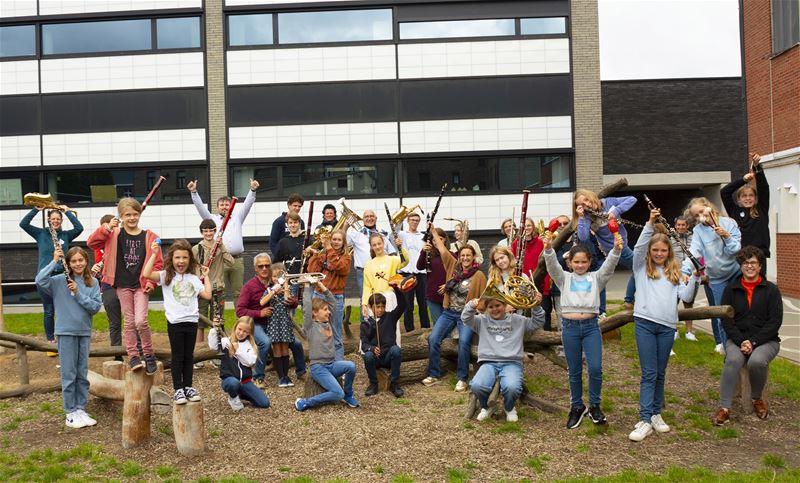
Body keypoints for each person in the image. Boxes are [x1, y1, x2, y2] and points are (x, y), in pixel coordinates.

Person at [628, 208, 700, 442]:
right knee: (649, 373)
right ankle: (645, 419)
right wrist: (649, 224)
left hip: (668, 326)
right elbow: (638, 249)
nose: (659, 253)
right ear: (650, 251)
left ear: (669, 252)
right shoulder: (641, 267)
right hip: (645, 324)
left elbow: (686, 296)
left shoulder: (674, 271)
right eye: (655, 250)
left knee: (660, 373)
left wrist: (695, 277)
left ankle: (656, 413)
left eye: (663, 250)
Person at [544, 233, 622, 429]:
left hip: (590, 328)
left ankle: (595, 406)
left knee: (595, 368)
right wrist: (548, 249)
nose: (580, 265)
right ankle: (577, 406)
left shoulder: (596, 278)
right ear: (569, 263)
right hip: (569, 328)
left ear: (589, 263)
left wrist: (616, 250)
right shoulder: (564, 279)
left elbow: (609, 266)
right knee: (574, 370)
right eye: (576, 262)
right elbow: (552, 266)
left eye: (583, 262)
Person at [88, 198, 162, 374]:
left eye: (135, 214)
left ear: (140, 214)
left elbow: (158, 264)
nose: (132, 218)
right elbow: (92, 243)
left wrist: (152, 282)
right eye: (127, 215)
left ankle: (148, 354)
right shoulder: (113, 234)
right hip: (122, 284)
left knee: (141, 321)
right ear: (120, 216)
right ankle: (134, 356)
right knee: (129, 322)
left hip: (141, 284)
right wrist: (106, 228)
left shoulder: (150, 236)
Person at [712, 246, 782, 425]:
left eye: (753, 263)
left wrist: (754, 341)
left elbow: (774, 322)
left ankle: (756, 399)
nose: (749, 266)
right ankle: (725, 408)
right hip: (737, 339)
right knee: (733, 360)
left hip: (767, 340)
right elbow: (726, 320)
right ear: (740, 266)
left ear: (760, 266)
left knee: (756, 361)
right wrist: (741, 341)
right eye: (745, 263)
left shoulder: (771, 290)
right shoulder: (731, 289)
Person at [35, 246, 101, 429]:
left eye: (81, 260)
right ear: (69, 263)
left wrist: (78, 294)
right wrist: (54, 260)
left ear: (86, 261)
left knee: (82, 373)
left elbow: (95, 307)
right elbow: (39, 280)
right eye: (74, 261)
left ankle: (80, 408)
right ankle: (70, 411)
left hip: (84, 332)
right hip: (66, 332)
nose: (78, 264)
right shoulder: (58, 281)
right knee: (69, 373)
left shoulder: (92, 283)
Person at [143, 239, 212, 404]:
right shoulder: (166, 275)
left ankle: (188, 386)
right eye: (177, 258)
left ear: (190, 260)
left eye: (185, 258)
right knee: (178, 356)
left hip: (191, 322)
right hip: (175, 323)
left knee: (189, 356)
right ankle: (178, 389)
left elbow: (207, 295)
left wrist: (206, 276)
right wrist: (153, 254)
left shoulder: (193, 278)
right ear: (171, 259)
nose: (181, 261)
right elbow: (146, 274)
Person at [462, 293, 545, 422]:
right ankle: (487, 407)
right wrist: (472, 305)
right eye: (490, 307)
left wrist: (536, 306)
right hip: (488, 362)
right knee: (477, 385)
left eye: (498, 305)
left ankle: (509, 407)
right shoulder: (481, 320)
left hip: (512, 362)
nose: (494, 309)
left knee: (512, 387)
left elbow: (537, 322)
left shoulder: (518, 320)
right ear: (487, 309)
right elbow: (466, 318)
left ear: (505, 305)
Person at [423, 227, 487, 391]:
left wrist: (476, 306)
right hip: (449, 312)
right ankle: (434, 374)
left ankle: (462, 378)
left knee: (464, 342)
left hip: (466, 316)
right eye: (463, 255)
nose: (465, 258)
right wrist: (433, 232)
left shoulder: (479, 275)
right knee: (433, 339)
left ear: (473, 258)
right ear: (459, 256)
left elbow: (484, 299)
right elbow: (443, 249)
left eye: (468, 256)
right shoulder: (453, 267)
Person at [236, 254, 306, 388]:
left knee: (296, 343)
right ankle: (258, 377)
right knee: (265, 342)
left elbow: (292, 302)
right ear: (255, 268)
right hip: (257, 323)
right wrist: (259, 313)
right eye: (260, 266)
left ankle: (301, 372)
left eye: (267, 265)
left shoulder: (277, 281)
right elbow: (240, 311)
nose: (264, 268)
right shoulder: (249, 287)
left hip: (277, 323)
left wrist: (293, 302)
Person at [682, 197, 742, 355]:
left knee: (740, 311)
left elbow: (735, 250)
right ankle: (727, 350)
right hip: (716, 278)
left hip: (736, 272)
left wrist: (726, 236)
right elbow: (694, 253)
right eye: (696, 215)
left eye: (701, 211)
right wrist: (685, 271)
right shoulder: (698, 231)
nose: (700, 216)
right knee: (721, 314)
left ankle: (743, 345)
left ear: (708, 207)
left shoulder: (729, 223)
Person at [20, 204, 83, 349]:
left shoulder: (66, 235)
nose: (55, 221)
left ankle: (67, 336)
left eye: (58, 219)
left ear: (61, 220)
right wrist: (37, 209)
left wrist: (67, 212)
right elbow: (23, 224)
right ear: (48, 219)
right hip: (45, 278)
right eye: (53, 219)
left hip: (62, 276)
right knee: (49, 310)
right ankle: (50, 340)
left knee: (65, 307)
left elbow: (79, 228)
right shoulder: (41, 234)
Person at [188, 178, 258, 305]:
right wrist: (194, 192)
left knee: (238, 291)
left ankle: (240, 321)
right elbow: (200, 208)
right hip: (219, 260)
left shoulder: (238, 218)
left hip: (236, 260)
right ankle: (220, 322)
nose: (225, 207)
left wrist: (252, 190)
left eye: (227, 204)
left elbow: (247, 205)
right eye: (222, 205)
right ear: (217, 207)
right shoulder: (212, 219)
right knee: (220, 292)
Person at [295, 281, 359, 411]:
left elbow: (332, 302)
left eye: (327, 309)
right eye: (324, 310)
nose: (328, 312)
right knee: (337, 393)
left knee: (351, 366)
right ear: (315, 313)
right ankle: (306, 402)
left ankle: (348, 395)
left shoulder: (328, 321)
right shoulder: (310, 326)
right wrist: (307, 287)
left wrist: (320, 284)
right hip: (318, 368)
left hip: (332, 364)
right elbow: (307, 307)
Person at [192, 219, 234, 369]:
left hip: (218, 288)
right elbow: (193, 267)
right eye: (205, 231)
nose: (209, 234)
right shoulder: (197, 248)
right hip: (202, 288)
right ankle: (199, 354)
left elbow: (231, 262)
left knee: (217, 321)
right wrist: (200, 277)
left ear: (215, 231)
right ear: (201, 232)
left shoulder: (219, 246)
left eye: (211, 231)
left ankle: (215, 354)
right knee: (200, 322)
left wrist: (221, 246)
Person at [721, 152, 770, 276]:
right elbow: (724, 192)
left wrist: (757, 167)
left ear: (755, 198)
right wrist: (743, 180)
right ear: (739, 199)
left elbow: (764, 187)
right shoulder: (734, 211)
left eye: (751, 195)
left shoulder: (761, 209)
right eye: (744, 196)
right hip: (741, 256)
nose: (748, 198)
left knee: (759, 290)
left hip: (759, 256)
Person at [209, 316, 270, 411]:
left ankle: (242, 394)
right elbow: (213, 346)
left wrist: (237, 351)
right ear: (235, 327)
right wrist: (214, 329)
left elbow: (250, 362)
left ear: (249, 333)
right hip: (229, 380)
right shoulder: (226, 341)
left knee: (264, 403)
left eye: (245, 331)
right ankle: (233, 397)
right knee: (233, 383)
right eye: (239, 329)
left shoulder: (251, 345)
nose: (241, 333)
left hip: (245, 382)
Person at [307, 230, 351, 360]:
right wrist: (314, 255)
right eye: (334, 239)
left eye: (339, 240)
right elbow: (312, 271)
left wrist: (328, 248)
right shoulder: (325, 253)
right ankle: (320, 361)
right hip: (319, 294)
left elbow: (339, 267)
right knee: (317, 331)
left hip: (335, 296)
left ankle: (339, 365)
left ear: (343, 243)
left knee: (336, 333)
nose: (336, 242)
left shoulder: (347, 257)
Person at [91, 214, 126, 360]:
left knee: (133, 321)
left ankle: (138, 352)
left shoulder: (123, 239)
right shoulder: (99, 246)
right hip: (107, 285)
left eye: (114, 225)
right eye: (107, 226)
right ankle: (117, 353)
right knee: (114, 321)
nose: (112, 228)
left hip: (125, 284)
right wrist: (98, 269)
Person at [361, 288, 406, 398]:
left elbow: (403, 305)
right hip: (375, 359)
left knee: (396, 349)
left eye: (382, 307)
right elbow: (364, 344)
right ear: (371, 307)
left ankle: (394, 384)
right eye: (377, 307)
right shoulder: (366, 324)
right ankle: (373, 384)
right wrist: (372, 349)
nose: (380, 310)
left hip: (388, 358)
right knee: (367, 355)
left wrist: (397, 288)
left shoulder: (390, 317)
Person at [260, 263, 297, 388]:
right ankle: (281, 377)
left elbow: (287, 299)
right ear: (271, 278)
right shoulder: (269, 290)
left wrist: (285, 284)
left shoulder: (288, 289)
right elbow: (262, 302)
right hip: (274, 323)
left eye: (280, 276)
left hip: (285, 322)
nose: (277, 278)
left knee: (285, 348)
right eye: (274, 276)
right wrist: (273, 291)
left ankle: (286, 376)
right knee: (277, 349)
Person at [347, 209, 398, 299]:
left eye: (371, 216)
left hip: (382, 271)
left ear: (376, 218)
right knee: (365, 300)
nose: (369, 218)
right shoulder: (356, 234)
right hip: (363, 272)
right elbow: (343, 242)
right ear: (363, 219)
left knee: (382, 299)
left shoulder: (382, 235)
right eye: (366, 216)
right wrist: (345, 226)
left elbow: (392, 252)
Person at [361, 233, 408, 319]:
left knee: (391, 325)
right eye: (374, 245)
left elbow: (405, 261)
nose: (377, 247)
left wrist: (400, 247)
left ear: (383, 243)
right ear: (371, 247)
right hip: (375, 299)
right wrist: (364, 304)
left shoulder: (392, 259)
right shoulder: (368, 265)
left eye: (379, 243)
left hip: (389, 298)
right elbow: (367, 286)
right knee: (377, 328)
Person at [398, 212, 429, 331]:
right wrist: (400, 216)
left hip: (421, 273)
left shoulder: (423, 236)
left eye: (416, 220)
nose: (414, 222)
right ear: (408, 221)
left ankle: (425, 328)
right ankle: (409, 330)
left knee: (423, 303)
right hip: (406, 272)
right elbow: (393, 232)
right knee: (408, 304)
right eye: (412, 220)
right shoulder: (402, 234)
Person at [416, 227, 453, 326]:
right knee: (437, 323)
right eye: (434, 240)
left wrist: (448, 285)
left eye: (440, 239)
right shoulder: (429, 256)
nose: (437, 242)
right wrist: (423, 252)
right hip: (432, 295)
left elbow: (456, 274)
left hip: (448, 294)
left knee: (448, 323)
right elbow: (419, 267)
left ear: (445, 239)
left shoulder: (452, 255)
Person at [670, 216, 697, 341]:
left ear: (687, 226)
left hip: (689, 276)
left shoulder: (693, 238)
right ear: (675, 226)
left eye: (683, 225)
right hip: (674, 275)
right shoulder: (670, 238)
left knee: (688, 303)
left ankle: (689, 331)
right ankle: (673, 329)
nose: (680, 227)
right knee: (672, 303)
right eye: (678, 225)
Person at [274, 212, 304, 277]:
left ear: (299, 223)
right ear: (287, 224)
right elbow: (276, 262)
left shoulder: (306, 240)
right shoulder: (282, 242)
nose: (293, 225)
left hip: (305, 276)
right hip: (289, 277)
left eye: (295, 222)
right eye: (290, 223)